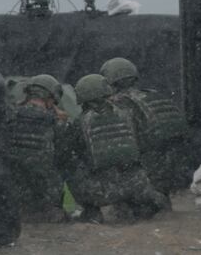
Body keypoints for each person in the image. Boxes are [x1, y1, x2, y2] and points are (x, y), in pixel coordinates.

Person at [64, 74, 169, 222]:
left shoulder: (80, 123)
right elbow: (146, 144)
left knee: (72, 169)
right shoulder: (129, 113)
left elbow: (72, 155)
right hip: (138, 185)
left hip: (101, 192)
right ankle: (143, 205)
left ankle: (92, 213)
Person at [100, 57, 193, 194]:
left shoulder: (119, 104)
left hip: (149, 173)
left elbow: (125, 146)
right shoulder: (153, 95)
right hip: (180, 169)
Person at [6, 74, 66, 222]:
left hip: (14, 194)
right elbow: (64, 154)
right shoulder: (55, 121)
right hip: (44, 196)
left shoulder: (11, 115)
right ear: (50, 97)